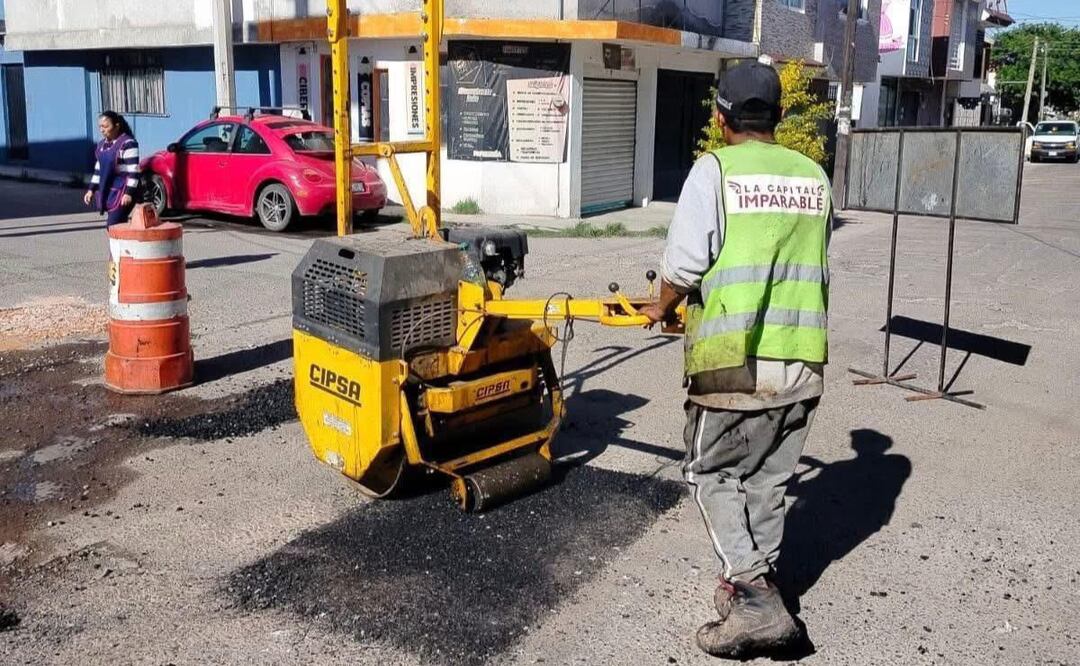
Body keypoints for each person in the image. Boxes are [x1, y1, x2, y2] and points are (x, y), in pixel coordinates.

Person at [639, 60, 831, 659]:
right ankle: (755, 582)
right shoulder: (813, 175)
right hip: (801, 357)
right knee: (769, 480)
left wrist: (658, 305)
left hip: (732, 358)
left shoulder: (714, 170)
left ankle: (753, 595)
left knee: (711, 474)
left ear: (721, 116)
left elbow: (684, 265)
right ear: (778, 116)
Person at [84, 111, 140, 226]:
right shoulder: (101, 146)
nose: (102, 130)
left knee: (114, 224)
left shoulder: (128, 143)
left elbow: (134, 171)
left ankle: (125, 243)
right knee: (116, 225)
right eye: (100, 127)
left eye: (105, 126)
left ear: (117, 126)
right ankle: (123, 243)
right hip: (109, 188)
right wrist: (91, 190)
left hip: (123, 190)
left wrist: (128, 193)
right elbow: (98, 170)